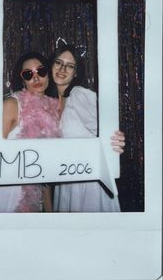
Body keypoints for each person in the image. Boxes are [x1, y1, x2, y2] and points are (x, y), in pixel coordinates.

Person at [0, 52, 60, 213]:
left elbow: (44, 170)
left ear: (49, 74)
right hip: (4, 195)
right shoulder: (12, 104)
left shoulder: (53, 111)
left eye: (41, 71)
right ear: (22, 79)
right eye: (28, 74)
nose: (36, 78)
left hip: (35, 200)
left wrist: (50, 213)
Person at [47, 43, 125, 212]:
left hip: (90, 183)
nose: (62, 69)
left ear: (76, 73)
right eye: (58, 63)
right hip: (65, 181)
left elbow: (108, 130)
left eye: (70, 66)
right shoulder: (50, 103)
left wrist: (116, 142)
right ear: (51, 65)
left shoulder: (81, 95)